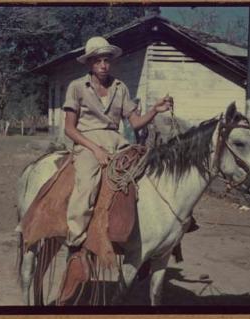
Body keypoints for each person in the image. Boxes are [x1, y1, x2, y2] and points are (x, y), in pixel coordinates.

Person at [62, 36, 173, 255]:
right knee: (87, 182)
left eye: (106, 60)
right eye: (97, 60)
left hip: (117, 140)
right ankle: (75, 239)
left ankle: (153, 232)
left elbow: (135, 123)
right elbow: (69, 128)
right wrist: (94, 149)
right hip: (87, 141)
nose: (103, 65)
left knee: (149, 171)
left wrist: (154, 110)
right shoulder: (77, 87)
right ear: (89, 63)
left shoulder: (120, 87)